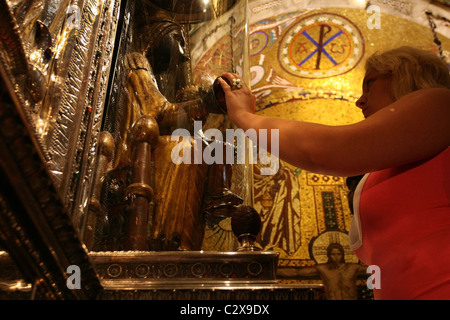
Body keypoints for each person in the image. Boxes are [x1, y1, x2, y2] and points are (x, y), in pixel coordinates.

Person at [218, 46, 450, 300]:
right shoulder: (395, 160)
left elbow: (323, 150)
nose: (360, 100)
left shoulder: (440, 104)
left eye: (369, 84)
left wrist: (243, 115)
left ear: (405, 75)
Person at [277, 243, 368, 300]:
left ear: (343, 255)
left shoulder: (353, 268)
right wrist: (273, 271)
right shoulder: (323, 269)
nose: (336, 257)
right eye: (333, 254)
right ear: (328, 255)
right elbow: (296, 272)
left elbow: (375, 269)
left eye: (338, 254)